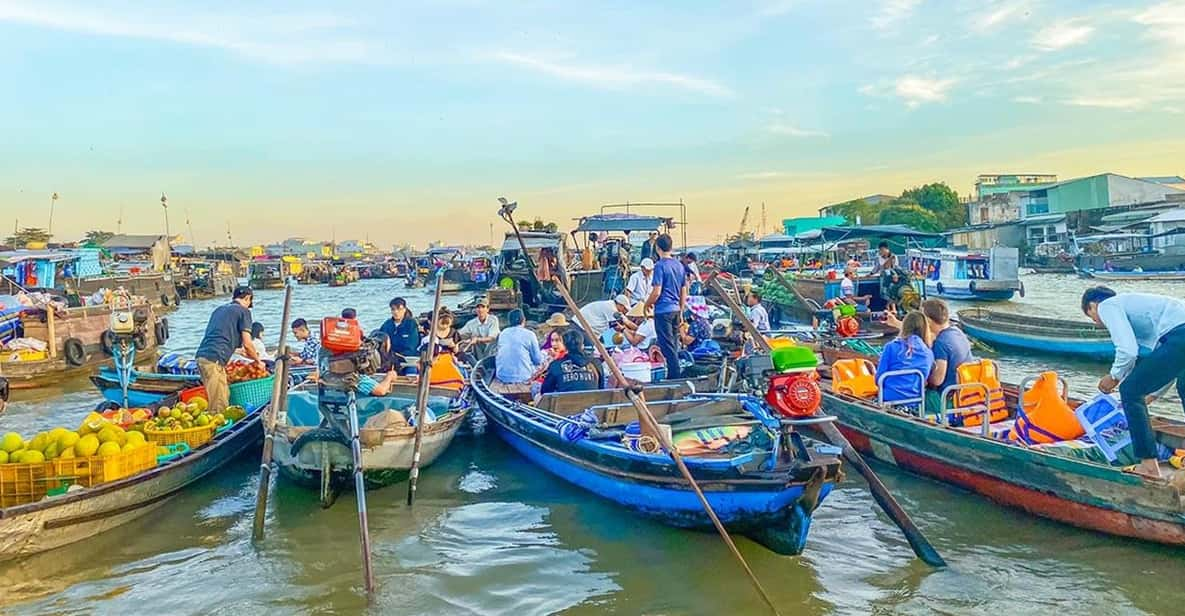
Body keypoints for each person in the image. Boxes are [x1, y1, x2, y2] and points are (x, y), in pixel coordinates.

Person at [1082, 287, 1185, 478]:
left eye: (1093, 318)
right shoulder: (1144, 308)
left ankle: (1148, 465)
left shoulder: (1107, 306)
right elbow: (1168, 360)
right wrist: (1153, 395)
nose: (1098, 324)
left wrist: (1114, 376)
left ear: (1093, 306)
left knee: (1129, 390)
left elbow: (1128, 351)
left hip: (1181, 335)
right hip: (1180, 337)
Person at [195, 286, 261, 414]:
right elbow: (248, 343)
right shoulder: (243, 311)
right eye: (249, 302)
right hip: (215, 359)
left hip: (202, 357)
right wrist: (258, 361)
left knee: (222, 394)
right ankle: (219, 430)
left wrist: (239, 351)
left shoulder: (219, 310)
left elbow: (219, 337)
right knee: (219, 403)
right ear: (248, 298)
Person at [644, 233, 686, 380]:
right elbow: (683, 291)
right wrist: (681, 310)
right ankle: (673, 374)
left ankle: (675, 377)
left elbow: (656, 292)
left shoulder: (660, 266)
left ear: (657, 248)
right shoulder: (679, 265)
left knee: (667, 346)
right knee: (673, 344)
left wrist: (647, 304)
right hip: (675, 309)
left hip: (663, 311)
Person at [921, 299, 973, 412]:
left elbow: (937, 380)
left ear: (928, 321)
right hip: (965, 393)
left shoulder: (941, 343)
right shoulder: (957, 332)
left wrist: (922, 378)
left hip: (948, 400)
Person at [875, 311, 934, 406]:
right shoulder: (928, 353)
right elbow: (924, 380)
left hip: (887, 398)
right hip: (914, 401)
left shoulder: (891, 347)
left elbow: (878, 378)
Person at [493, 309, 545, 394]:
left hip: (502, 375)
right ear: (523, 320)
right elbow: (538, 360)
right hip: (523, 377)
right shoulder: (530, 334)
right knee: (545, 362)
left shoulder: (503, 333)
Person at [540, 329, 601, 395]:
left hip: (564, 404)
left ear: (565, 346)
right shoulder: (596, 363)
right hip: (592, 403)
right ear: (582, 345)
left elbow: (545, 391)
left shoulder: (555, 365)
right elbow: (601, 388)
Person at [379, 297, 420, 374]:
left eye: (399, 309)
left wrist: (398, 355)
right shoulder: (387, 324)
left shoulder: (411, 324)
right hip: (389, 360)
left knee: (411, 371)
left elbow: (412, 346)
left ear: (404, 309)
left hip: (408, 360)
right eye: (393, 309)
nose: (396, 312)